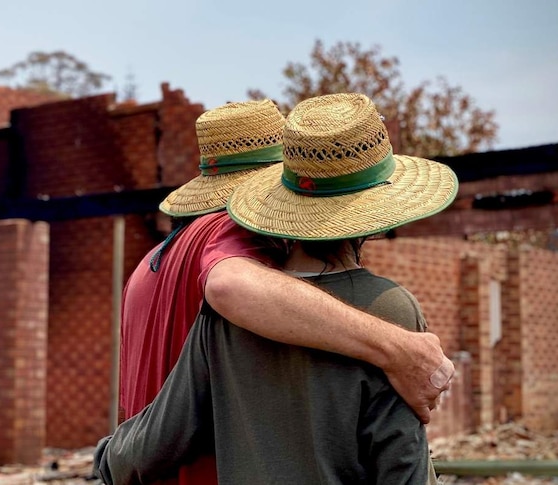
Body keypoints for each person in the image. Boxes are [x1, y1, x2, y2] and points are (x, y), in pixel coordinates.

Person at [98, 92, 459, 484]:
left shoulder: (162, 272)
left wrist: (107, 457)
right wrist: (398, 346)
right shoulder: (387, 306)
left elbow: (158, 436)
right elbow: (403, 465)